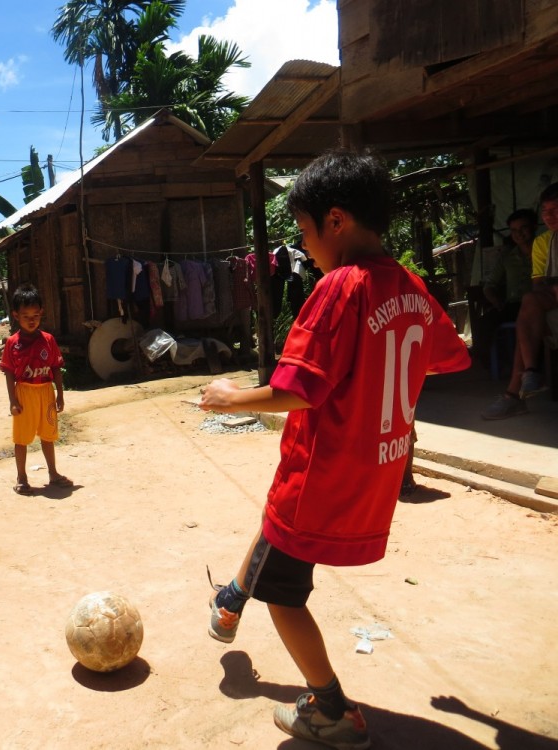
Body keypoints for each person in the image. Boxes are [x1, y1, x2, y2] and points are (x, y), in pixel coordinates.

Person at [199, 151, 470, 749]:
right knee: (276, 522)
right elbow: (451, 355)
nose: (306, 245)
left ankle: (331, 709)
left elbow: (298, 389)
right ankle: (229, 599)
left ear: (337, 220)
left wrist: (228, 397)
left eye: (303, 230)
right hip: (374, 471)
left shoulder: (339, 288)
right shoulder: (411, 286)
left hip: (323, 473)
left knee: (285, 593)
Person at [482, 183, 558, 419]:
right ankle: (529, 375)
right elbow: (537, 286)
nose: (550, 216)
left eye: (555, 210)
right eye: (545, 211)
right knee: (523, 310)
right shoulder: (541, 244)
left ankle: (516, 392)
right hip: (533, 302)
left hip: (539, 303)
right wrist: (497, 304)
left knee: (527, 315)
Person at [0, 283, 72, 496]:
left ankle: (53, 473)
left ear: (41, 314)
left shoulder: (48, 340)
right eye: (25, 316)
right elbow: (9, 373)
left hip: (46, 392)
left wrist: (60, 394)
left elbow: (56, 368)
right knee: (21, 439)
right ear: (15, 316)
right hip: (24, 393)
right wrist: (13, 400)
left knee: (48, 435)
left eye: (35, 315)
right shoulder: (13, 343)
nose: (31, 320)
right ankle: (22, 477)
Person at [474, 208, 536, 364]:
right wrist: (497, 302)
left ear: (534, 227)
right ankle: (492, 364)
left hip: (538, 304)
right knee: (483, 324)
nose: (519, 234)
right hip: (513, 305)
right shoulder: (507, 256)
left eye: (523, 228)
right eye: (514, 230)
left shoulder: (545, 250)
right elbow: (489, 285)